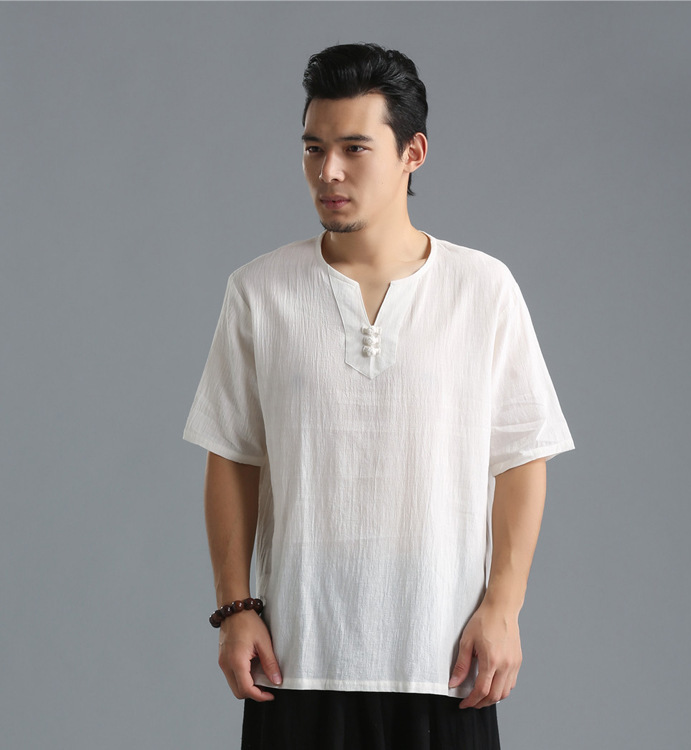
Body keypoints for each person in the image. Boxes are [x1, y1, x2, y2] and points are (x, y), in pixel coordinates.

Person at [183, 42, 574, 750]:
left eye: (354, 148)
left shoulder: (482, 290)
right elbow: (233, 457)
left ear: (412, 153)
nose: (327, 171)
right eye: (313, 148)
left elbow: (521, 457)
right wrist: (235, 608)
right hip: (296, 660)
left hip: (443, 661)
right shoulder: (259, 291)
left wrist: (504, 608)